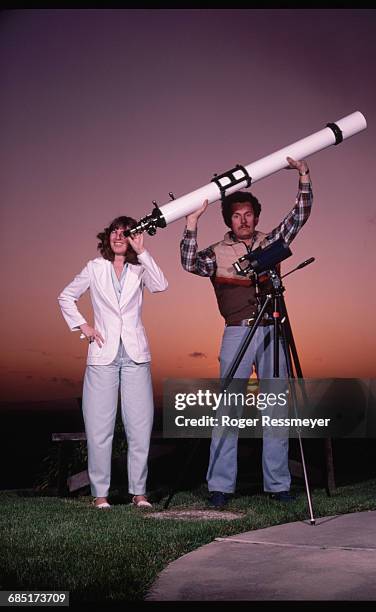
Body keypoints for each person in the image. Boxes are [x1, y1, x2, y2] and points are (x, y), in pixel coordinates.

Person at [180, 157, 313, 508]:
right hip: (237, 333)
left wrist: (303, 175)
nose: (243, 220)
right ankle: (221, 487)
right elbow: (189, 263)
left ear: (255, 216)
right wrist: (191, 223)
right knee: (229, 408)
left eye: (248, 214)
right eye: (236, 215)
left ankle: (278, 485)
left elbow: (299, 215)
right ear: (229, 220)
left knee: (275, 407)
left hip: (272, 329)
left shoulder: (272, 241)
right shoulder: (216, 253)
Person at [58, 216, 168, 509]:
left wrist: (143, 251)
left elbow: (161, 285)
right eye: (114, 233)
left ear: (133, 237)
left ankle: (139, 494)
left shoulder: (139, 268)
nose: (119, 237)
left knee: (140, 427)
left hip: (135, 358)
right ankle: (100, 495)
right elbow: (66, 297)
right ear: (107, 238)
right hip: (102, 359)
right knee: (99, 428)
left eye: (125, 233)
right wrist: (84, 327)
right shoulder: (95, 268)